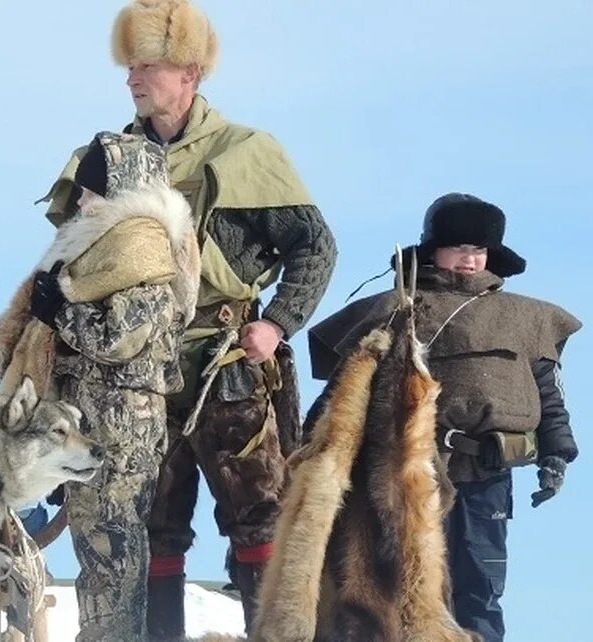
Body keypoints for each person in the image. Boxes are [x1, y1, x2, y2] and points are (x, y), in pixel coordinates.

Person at [38, 1, 338, 636]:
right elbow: (72, 267)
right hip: (132, 374)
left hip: (228, 364)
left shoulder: (247, 151)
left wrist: (278, 322)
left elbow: (316, 246)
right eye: (131, 68)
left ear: (190, 73)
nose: (133, 79)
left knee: (259, 515)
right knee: (151, 524)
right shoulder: (108, 163)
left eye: (148, 66)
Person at [307, 193, 581, 642]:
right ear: (433, 249)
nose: (470, 259)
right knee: (402, 588)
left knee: (480, 592)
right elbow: (345, 388)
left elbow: (548, 396)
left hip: (486, 478)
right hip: (405, 476)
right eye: (459, 248)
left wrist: (558, 454)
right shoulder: (396, 310)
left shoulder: (527, 320)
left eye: (479, 250)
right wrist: (310, 454)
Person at [0, 131, 199, 641]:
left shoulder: (145, 257)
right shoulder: (107, 257)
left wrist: (59, 311)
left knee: (113, 558)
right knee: (100, 556)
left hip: (119, 435)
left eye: (91, 191)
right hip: (97, 428)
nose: (81, 202)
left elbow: (120, 339)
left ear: (123, 192)